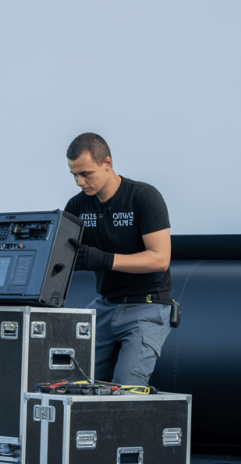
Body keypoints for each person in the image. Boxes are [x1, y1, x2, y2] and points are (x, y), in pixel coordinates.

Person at [63, 132, 173, 388]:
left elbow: (160, 259)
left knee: (126, 387)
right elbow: (61, 255)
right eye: (74, 176)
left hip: (146, 306)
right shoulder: (77, 205)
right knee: (73, 385)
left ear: (107, 164)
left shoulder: (143, 197)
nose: (80, 182)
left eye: (86, 174)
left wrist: (104, 260)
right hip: (103, 306)